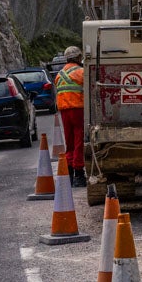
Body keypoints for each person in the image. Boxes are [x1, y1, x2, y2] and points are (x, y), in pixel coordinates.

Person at [54, 46, 87, 187]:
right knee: (79, 140)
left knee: (70, 141)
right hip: (78, 109)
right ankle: (79, 173)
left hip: (64, 111)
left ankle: (69, 173)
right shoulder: (81, 72)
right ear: (79, 57)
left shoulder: (59, 74)